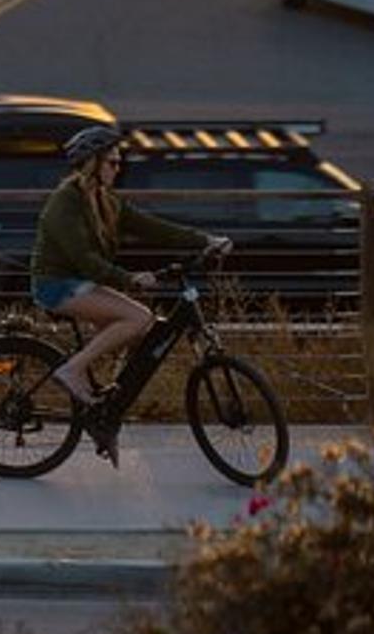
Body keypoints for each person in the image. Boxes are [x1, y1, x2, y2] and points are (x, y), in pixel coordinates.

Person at [32, 126, 230, 458]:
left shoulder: (104, 200)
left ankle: (106, 408)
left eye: (118, 160)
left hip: (82, 282)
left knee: (143, 330)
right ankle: (72, 370)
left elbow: (151, 226)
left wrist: (205, 240)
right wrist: (131, 279)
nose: (117, 166)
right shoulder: (66, 201)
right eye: (111, 161)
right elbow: (85, 259)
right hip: (57, 285)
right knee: (138, 316)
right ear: (92, 163)